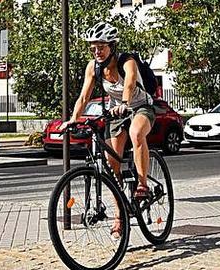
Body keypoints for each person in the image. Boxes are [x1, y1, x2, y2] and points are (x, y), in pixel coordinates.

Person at [59, 21, 157, 236]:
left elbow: (130, 82)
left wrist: (124, 103)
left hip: (140, 106)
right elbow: (84, 96)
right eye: (93, 48)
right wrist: (73, 119)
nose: (97, 51)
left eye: (101, 47)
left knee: (136, 133)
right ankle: (120, 215)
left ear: (112, 46)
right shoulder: (93, 67)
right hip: (116, 112)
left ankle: (142, 185)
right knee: (112, 167)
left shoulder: (127, 61)